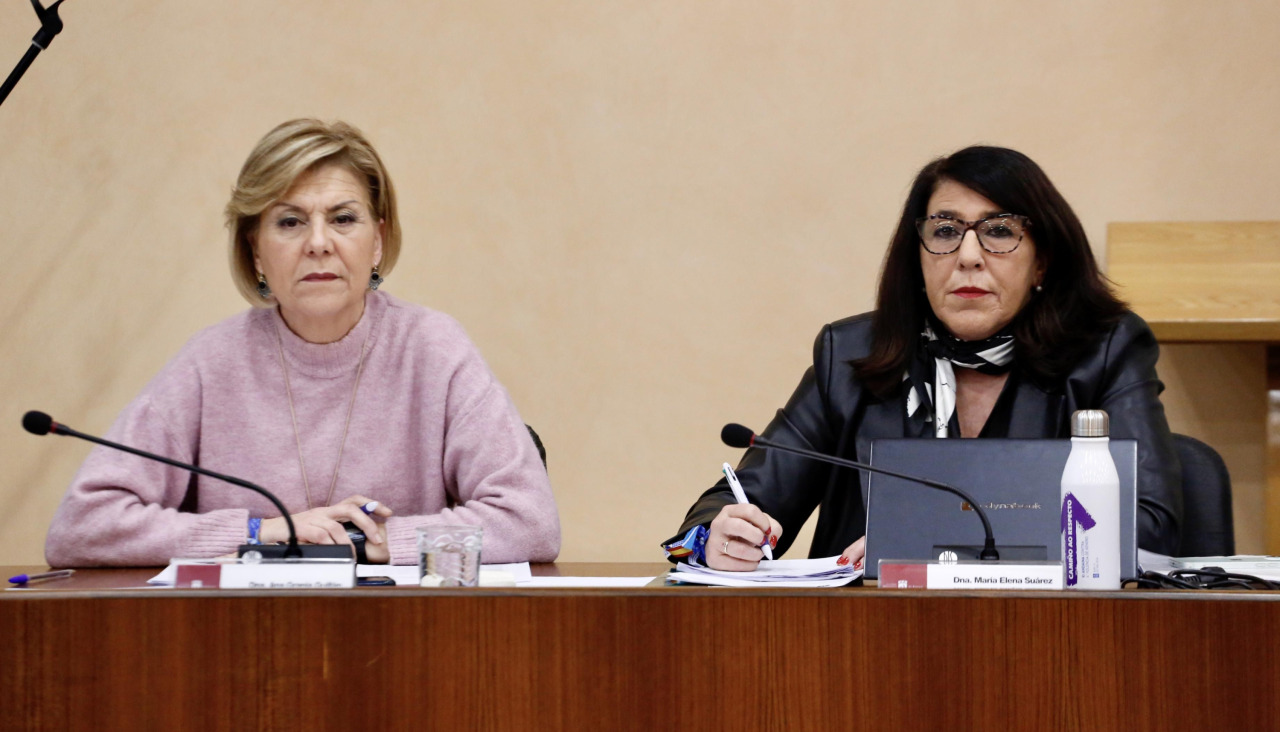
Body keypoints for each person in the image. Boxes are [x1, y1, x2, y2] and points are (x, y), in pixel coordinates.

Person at [45, 119, 560, 567]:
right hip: (243, 635)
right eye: (290, 222)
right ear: (256, 250)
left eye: (343, 219)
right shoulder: (210, 362)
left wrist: (367, 541)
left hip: (403, 631)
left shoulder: (433, 349)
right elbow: (83, 525)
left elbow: (529, 520)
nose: (318, 243)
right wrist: (262, 532)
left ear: (377, 241)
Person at [664, 145, 1182, 571]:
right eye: (945, 231)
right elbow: (736, 501)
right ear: (918, 257)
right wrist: (715, 535)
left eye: (999, 231)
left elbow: (1150, 524)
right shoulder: (850, 357)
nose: (969, 256)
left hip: (1050, 637)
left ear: (1042, 260)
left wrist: (930, 541)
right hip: (870, 638)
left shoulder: (1104, 351)